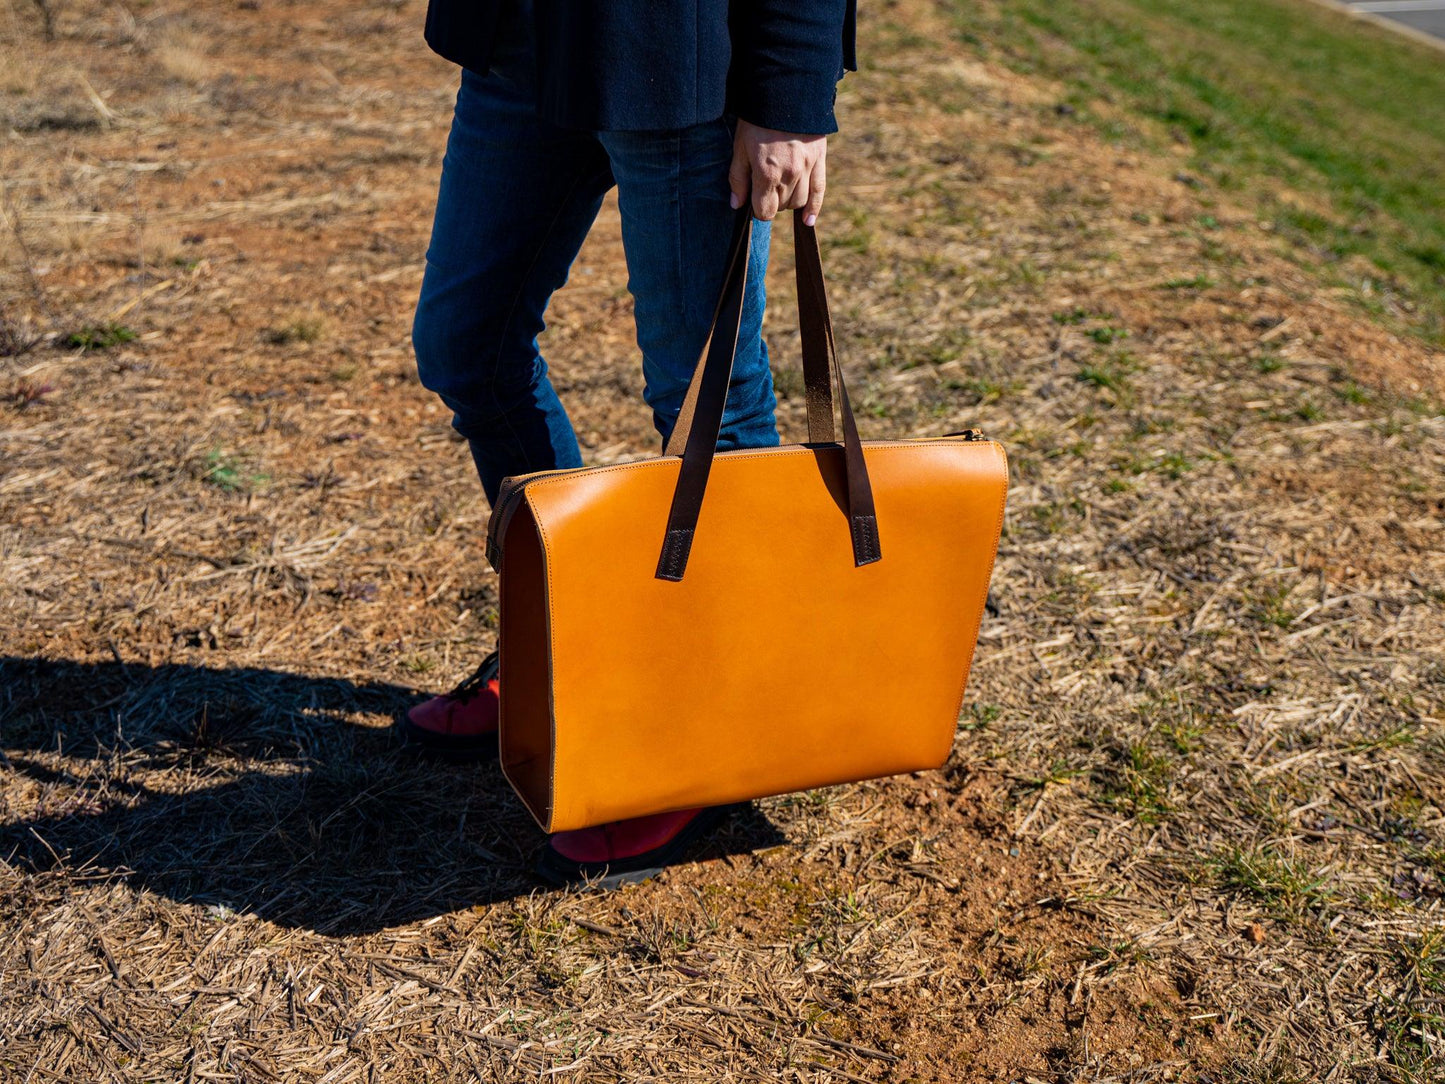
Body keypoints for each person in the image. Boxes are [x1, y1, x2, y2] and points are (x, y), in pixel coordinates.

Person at [402, 0, 856, 885]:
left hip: (680, 60)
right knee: (467, 346)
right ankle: (576, 656)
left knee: (706, 409)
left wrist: (791, 94)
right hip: (520, 44)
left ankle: (702, 732)